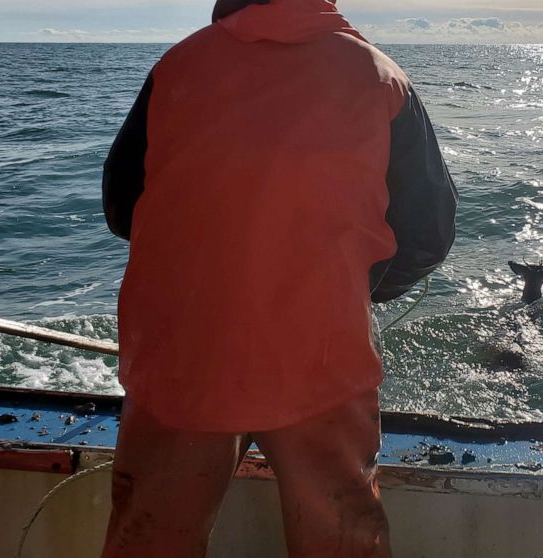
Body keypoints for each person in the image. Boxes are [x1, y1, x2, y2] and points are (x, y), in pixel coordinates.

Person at [100, 0, 457, 556]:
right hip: (321, 357)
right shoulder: (378, 75)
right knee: (342, 536)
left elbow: (122, 208)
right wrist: (353, 293)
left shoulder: (177, 66)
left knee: (151, 535)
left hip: (180, 356)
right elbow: (429, 232)